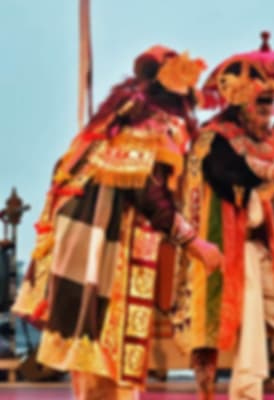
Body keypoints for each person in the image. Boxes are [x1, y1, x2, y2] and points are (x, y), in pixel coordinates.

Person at [12, 45, 221, 400]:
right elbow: (146, 187)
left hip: (79, 236)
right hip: (106, 242)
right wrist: (193, 242)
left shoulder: (119, 115)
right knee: (104, 349)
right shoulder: (153, 118)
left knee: (90, 350)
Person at [170, 56, 274, 400]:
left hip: (259, 242)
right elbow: (229, 173)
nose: (267, 113)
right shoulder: (213, 138)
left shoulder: (267, 140)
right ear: (241, 102)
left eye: (270, 105)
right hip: (220, 244)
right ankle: (206, 392)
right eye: (261, 105)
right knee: (210, 319)